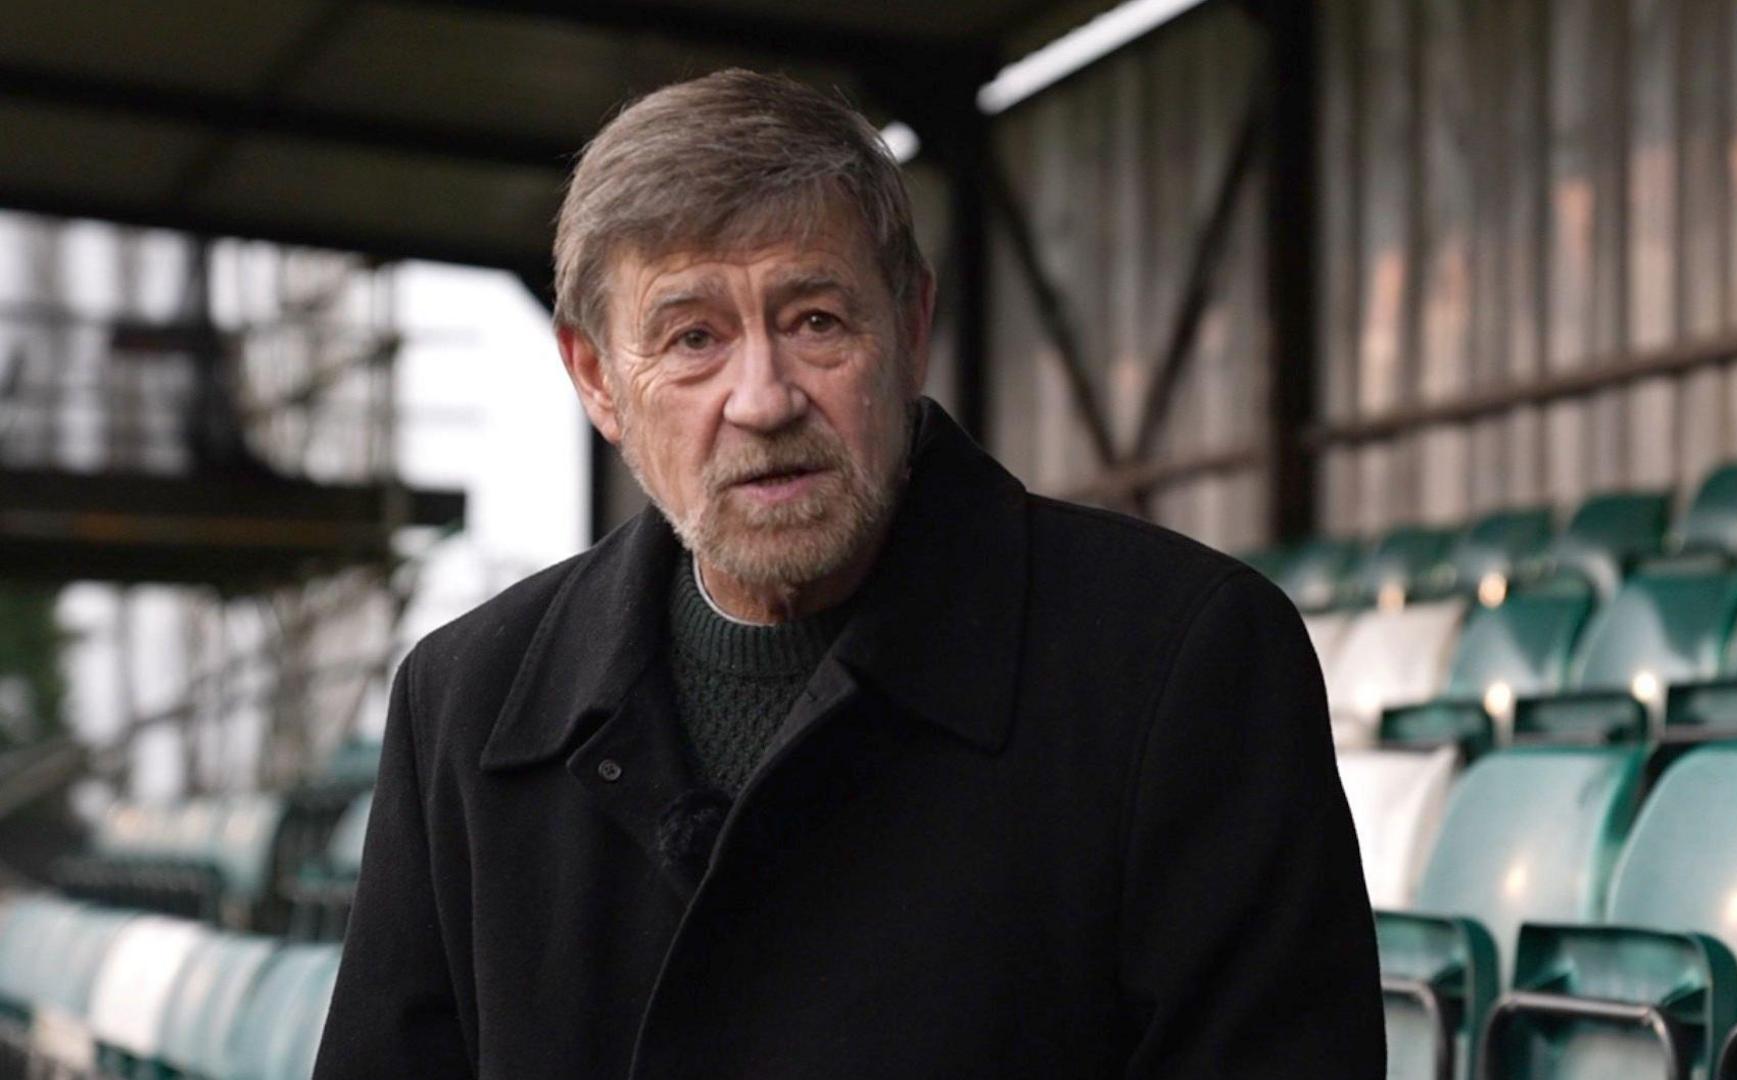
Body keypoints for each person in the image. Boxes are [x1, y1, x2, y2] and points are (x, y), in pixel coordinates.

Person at [314, 69, 1383, 1079]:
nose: (763, 397)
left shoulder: (1182, 662)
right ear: (597, 380)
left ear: (910, 327)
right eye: (693, 338)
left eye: (815, 321)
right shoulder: (462, 705)